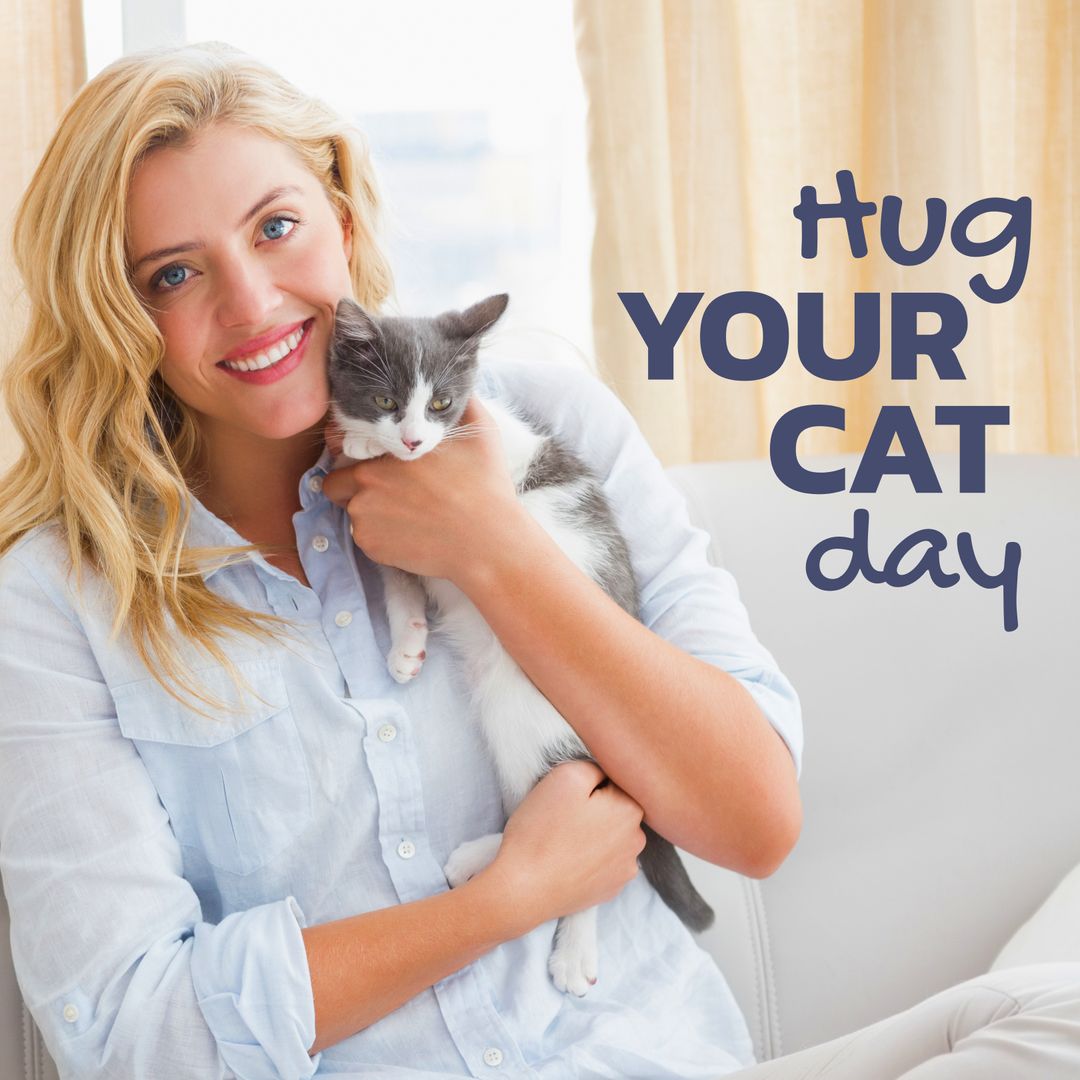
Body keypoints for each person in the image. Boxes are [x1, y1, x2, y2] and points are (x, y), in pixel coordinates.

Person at [0, 40, 1076, 1080]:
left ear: (339, 209)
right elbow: (133, 1036)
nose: (250, 302)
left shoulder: (551, 421)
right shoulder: (55, 599)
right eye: (173, 273)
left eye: (275, 227)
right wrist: (502, 903)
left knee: (1046, 1023)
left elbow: (751, 818)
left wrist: (497, 549)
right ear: (116, 314)